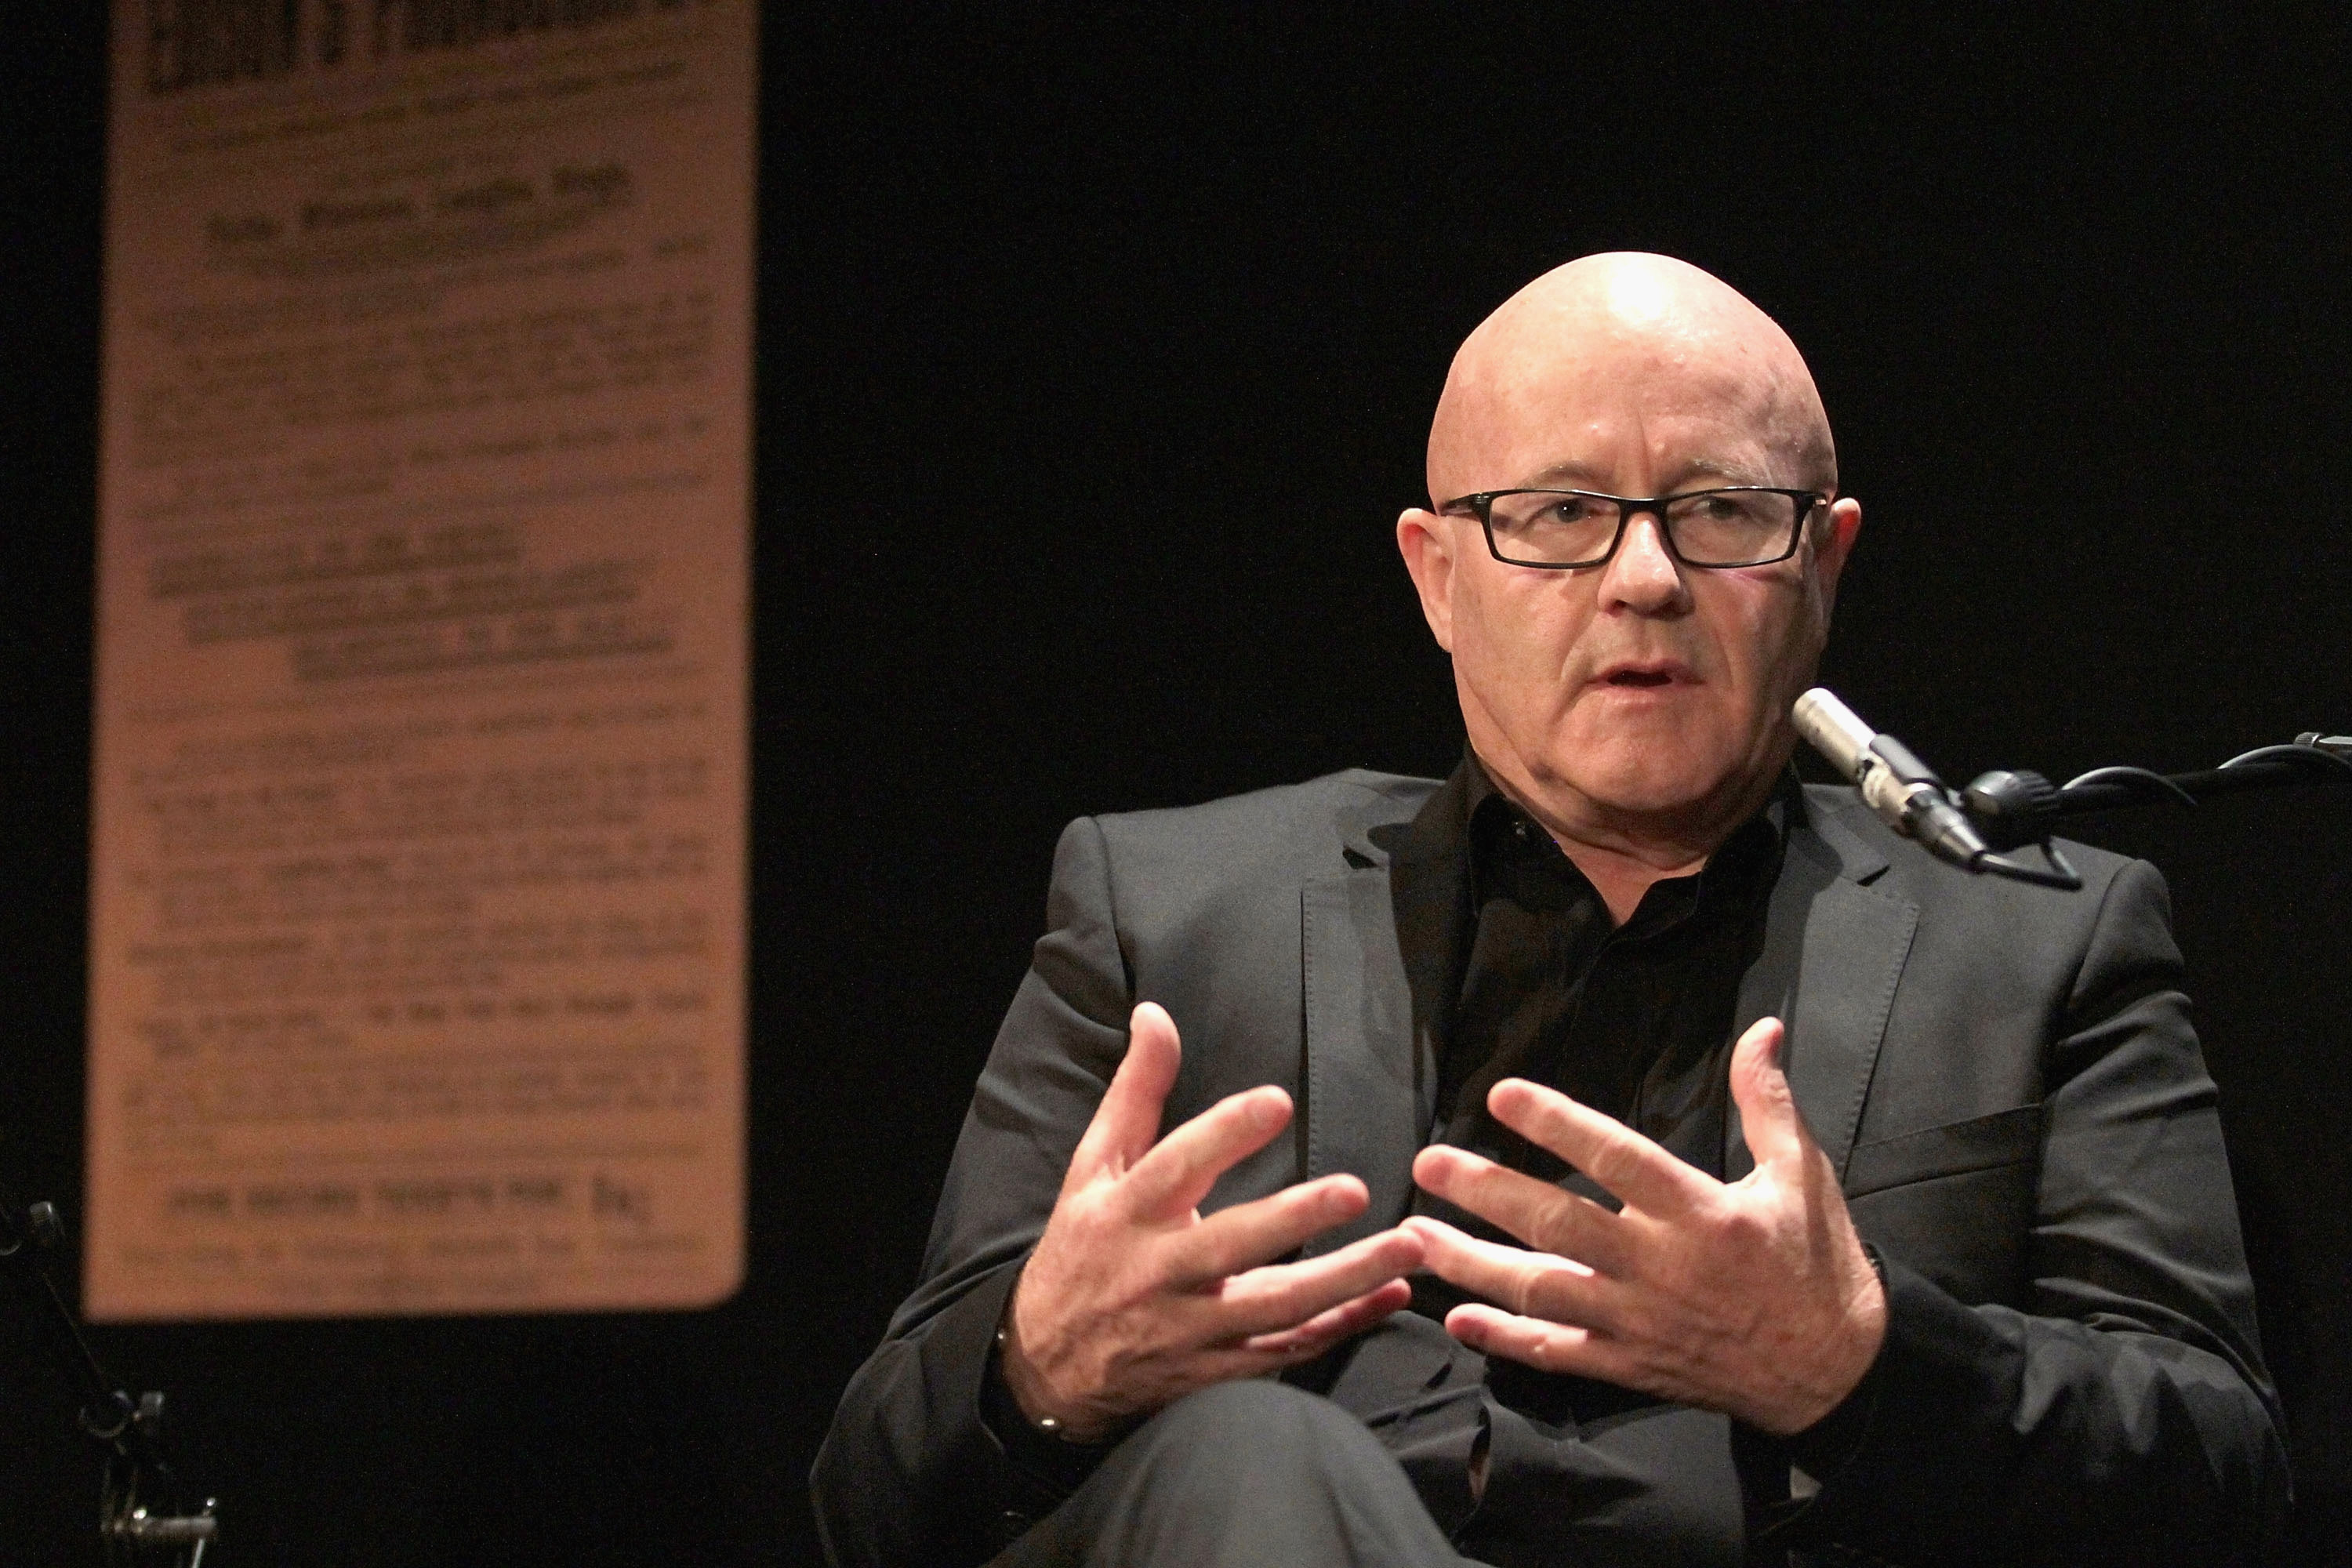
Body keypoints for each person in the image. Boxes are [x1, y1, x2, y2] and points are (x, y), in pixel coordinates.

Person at [811, 254, 2291, 1566]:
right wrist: (1040, 1364)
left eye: (1720, 512)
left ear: (1824, 566)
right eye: (1562, 514)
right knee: (1249, 1459)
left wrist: (1854, 1359)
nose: (1641, 579)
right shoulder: (1168, 917)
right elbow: (871, 1501)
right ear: (1438, 577)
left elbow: (2223, 1474)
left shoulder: (2046, 942)